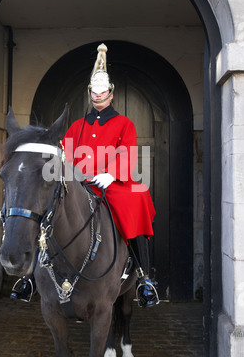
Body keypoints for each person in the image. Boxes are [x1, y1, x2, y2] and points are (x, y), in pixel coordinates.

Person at [11, 44, 159, 307]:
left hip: (111, 183)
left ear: (111, 94)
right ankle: (31, 274)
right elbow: (64, 154)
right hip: (78, 183)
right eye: (94, 91)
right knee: (45, 207)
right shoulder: (77, 126)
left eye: (103, 91)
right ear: (89, 93)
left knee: (135, 200)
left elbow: (128, 151)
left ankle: (143, 276)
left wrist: (112, 174)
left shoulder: (125, 124)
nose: (98, 95)